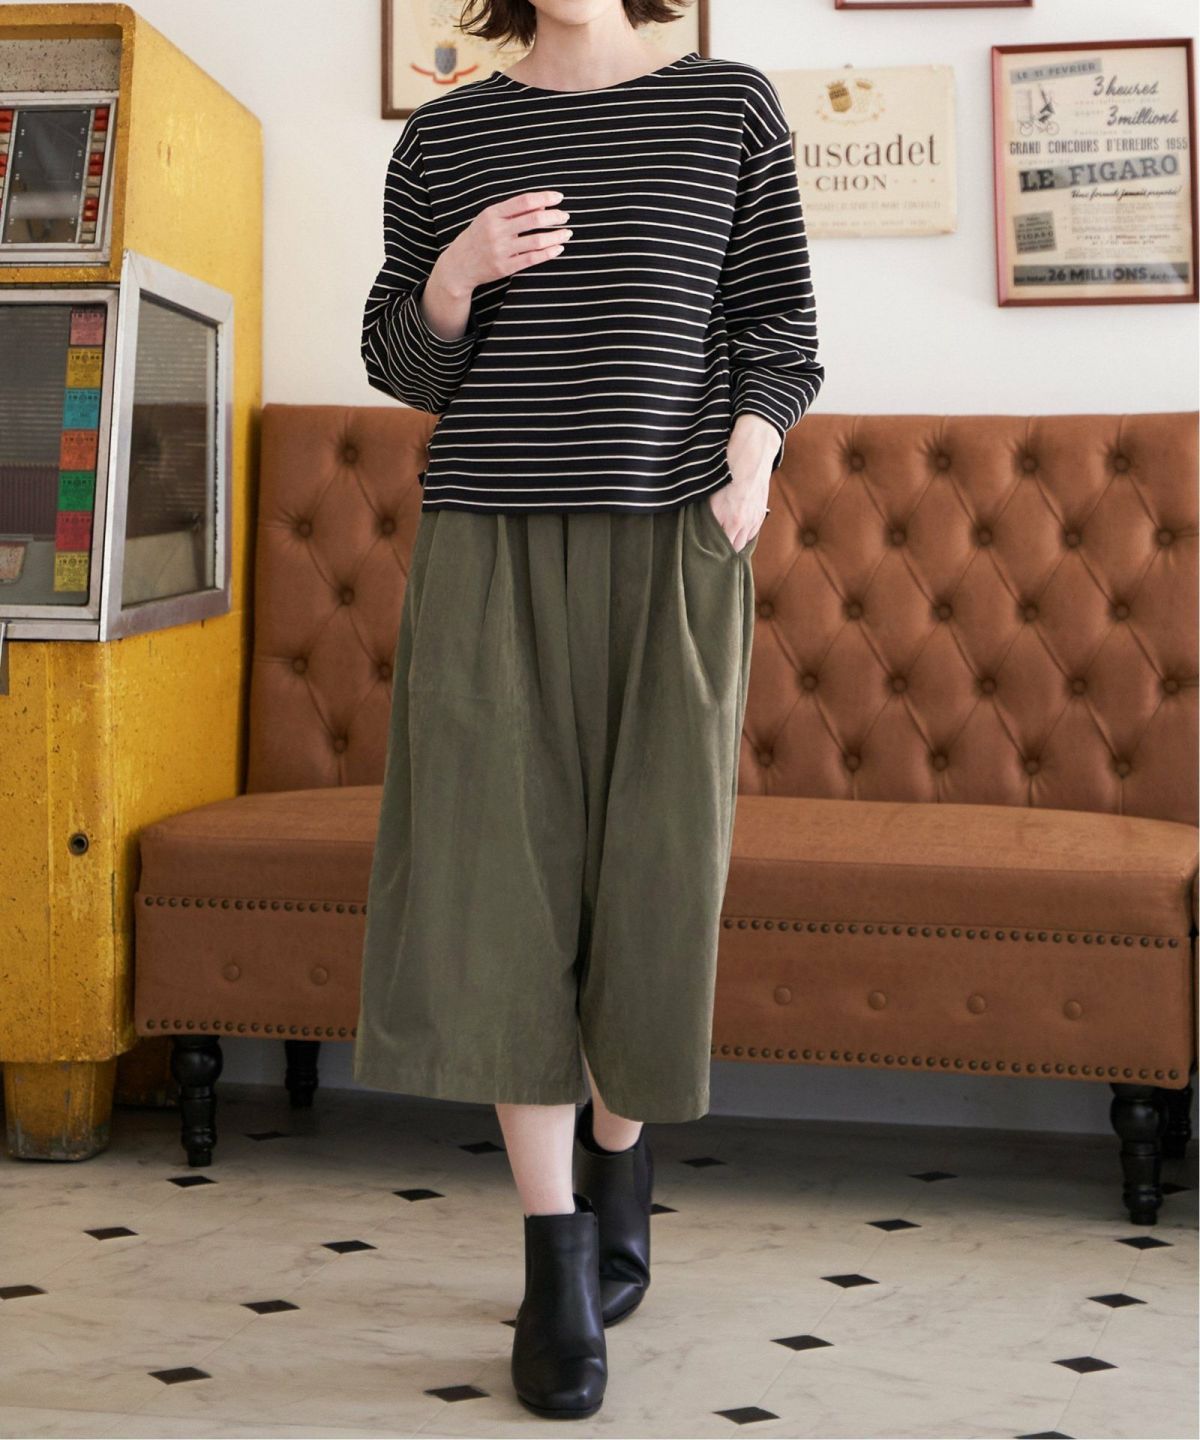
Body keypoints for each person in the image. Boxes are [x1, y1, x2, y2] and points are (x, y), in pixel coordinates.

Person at [353, 0, 824, 1419]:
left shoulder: (726, 107)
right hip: (490, 550)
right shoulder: (448, 135)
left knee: (658, 881)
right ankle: (556, 1260)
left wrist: (748, 467)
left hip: (673, 540)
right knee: (502, 890)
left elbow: (781, 325)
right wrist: (455, 275)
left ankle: (623, 1153)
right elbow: (402, 367)